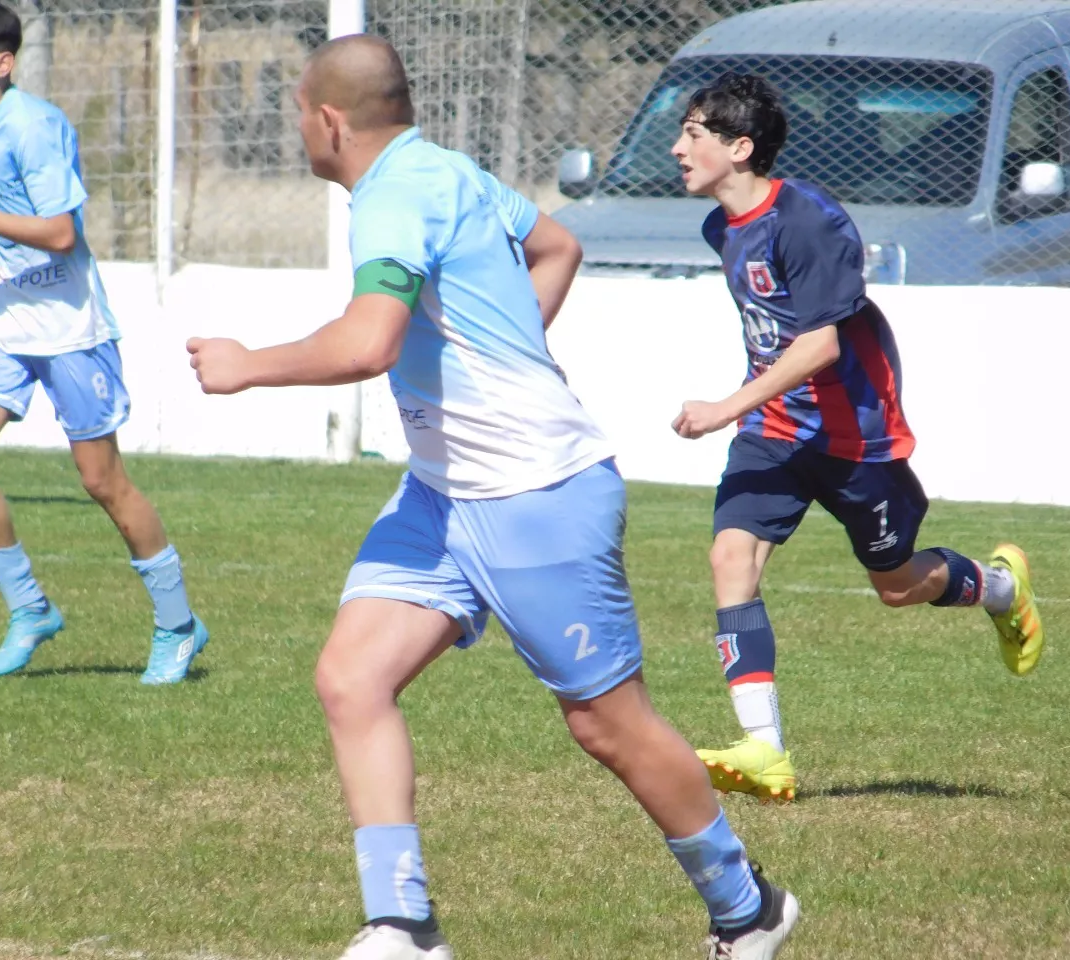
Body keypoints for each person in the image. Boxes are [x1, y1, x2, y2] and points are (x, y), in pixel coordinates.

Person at [187, 36, 797, 960]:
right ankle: (405, 925)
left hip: (534, 493)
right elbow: (558, 245)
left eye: (296, 113)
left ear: (328, 121)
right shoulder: (444, 169)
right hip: (442, 494)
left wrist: (245, 368)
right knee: (352, 679)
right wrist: (512, 347)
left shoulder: (393, 196)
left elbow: (368, 342)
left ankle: (749, 908)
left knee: (608, 724)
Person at [668, 73, 1044, 801]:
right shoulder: (722, 227)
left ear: (740, 147)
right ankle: (765, 752)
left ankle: (1000, 587)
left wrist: (722, 407)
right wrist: (745, 413)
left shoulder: (809, 222)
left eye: (694, 134)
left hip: (854, 437)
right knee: (730, 558)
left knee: (897, 586)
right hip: (773, 434)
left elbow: (819, 348)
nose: (679, 147)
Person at [0, 3, 206, 683]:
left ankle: (178, 625)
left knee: (101, 481)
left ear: (2, 63)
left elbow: (59, 233)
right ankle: (31, 608)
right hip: (1, 323)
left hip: (71, 328)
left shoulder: (35, 127)